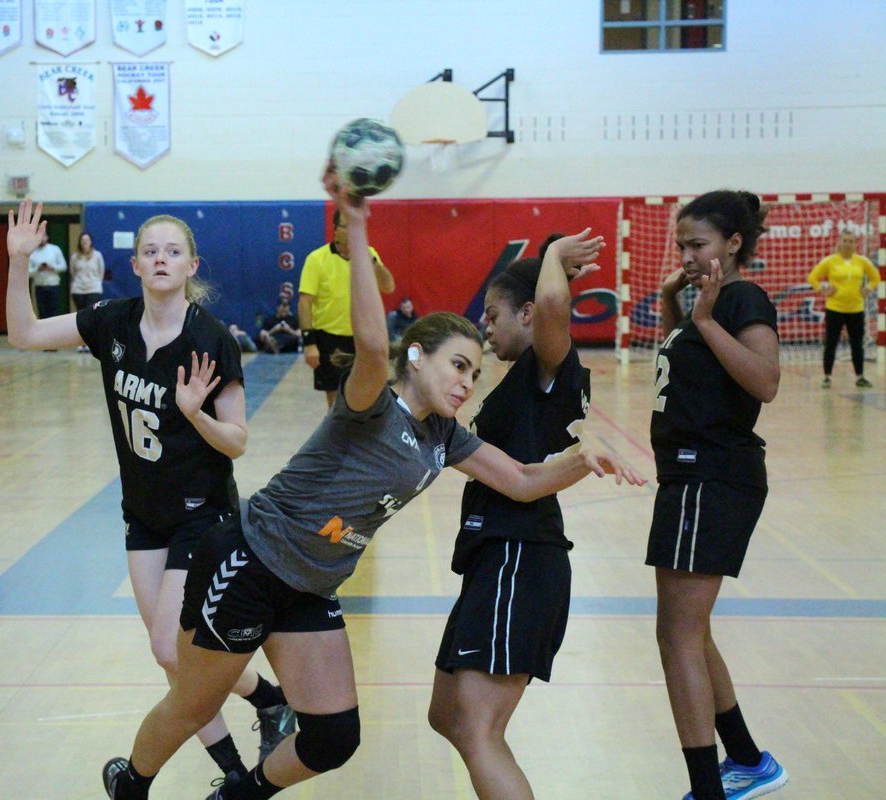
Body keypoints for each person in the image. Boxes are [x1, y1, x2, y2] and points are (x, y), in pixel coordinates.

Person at [100, 168, 642, 800]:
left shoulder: (447, 436)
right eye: (457, 366)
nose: (468, 382)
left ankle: (236, 795)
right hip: (250, 563)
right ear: (418, 358)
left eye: (475, 371)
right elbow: (371, 343)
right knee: (193, 705)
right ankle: (131, 782)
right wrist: (356, 228)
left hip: (311, 585)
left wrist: (584, 456)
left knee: (333, 737)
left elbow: (522, 480)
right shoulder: (370, 402)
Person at [5, 199, 295, 784]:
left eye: (173, 251)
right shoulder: (111, 321)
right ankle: (250, 740)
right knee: (173, 656)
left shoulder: (211, 338)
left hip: (204, 516)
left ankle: (260, 715)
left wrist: (197, 417)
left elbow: (237, 441)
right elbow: (25, 333)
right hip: (144, 515)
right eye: (150, 250)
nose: (161, 258)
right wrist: (17, 263)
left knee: (171, 648)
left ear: (192, 265)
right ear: (135, 265)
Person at [426, 231, 601, 800]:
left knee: (479, 729)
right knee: (447, 714)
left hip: (519, 558)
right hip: (492, 559)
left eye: (494, 313)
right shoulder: (515, 386)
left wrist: (550, 257)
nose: (486, 325)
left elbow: (554, 305)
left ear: (528, 314)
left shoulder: (549, 371)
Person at [651, 191, 788, 800]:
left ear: (733, 245)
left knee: (676, 635)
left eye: (698, 244)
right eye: (681, 244)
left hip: (712, 474)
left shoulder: (740, 298)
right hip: (689, 476)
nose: (686, 255)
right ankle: (748, 760)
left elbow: (765, 381)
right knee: (691, 631)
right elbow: (686, 371)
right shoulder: (702, 301)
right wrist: (675, 309)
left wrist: (703, 320)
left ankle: (707, 789)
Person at [299, 207, 396, 408]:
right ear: (336, 229)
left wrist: (372, 261)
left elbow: (388, 286)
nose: (353, 231)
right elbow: (305, 302)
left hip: (363, 338)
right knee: (336, 400)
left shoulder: (369, 255)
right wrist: (309, 343)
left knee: (370, 395)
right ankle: (340, 438)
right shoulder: (317, 259)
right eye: (347, 226)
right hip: (329, 338)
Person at [807, 230, 879, 388]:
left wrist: (867, 288)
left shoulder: (862, 261)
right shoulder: (830, 261)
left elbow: (875, 277)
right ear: (840, 242)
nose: (847, 244)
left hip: (856, 310)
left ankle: (860, 376)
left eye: (851, 241)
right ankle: (827, 377)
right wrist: (823, 290)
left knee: (857, 344)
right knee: (831, 343)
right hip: (835, 309)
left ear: (855, 243)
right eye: (845, 241)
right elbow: (812, 277)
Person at [28, 231, 67, 320]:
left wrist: (52, 267)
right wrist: (37, 269)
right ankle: (44, 333)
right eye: (39, 236)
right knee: (42, 312)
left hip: (53, 285)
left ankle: (54, 333)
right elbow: (28, 272)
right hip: (39, 286)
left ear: (47, 237)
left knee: (54, 311)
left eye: (44, 236)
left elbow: (64, 267)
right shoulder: (32, 252)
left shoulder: (55, 249)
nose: (42, 238)